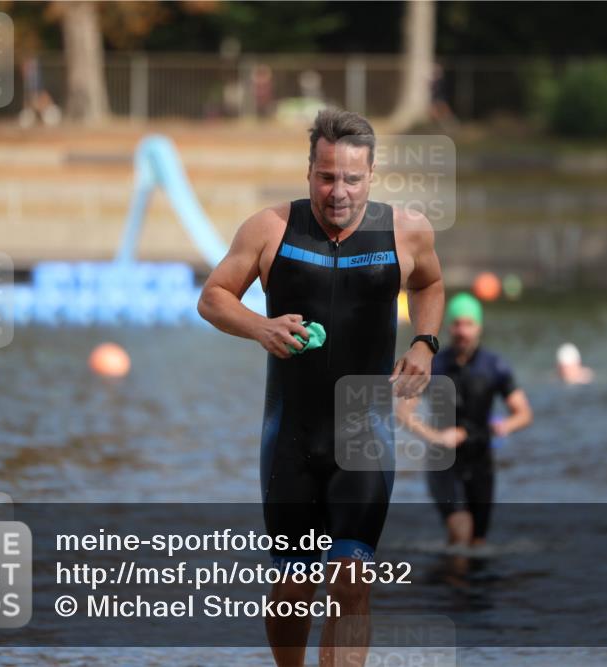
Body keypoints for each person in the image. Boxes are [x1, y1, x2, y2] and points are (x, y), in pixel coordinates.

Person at [198, 108, 444, 667]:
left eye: (351, 179)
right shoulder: (271, 229)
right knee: (293, 589)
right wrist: (260, 326)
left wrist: (425, 343)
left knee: (351, 581)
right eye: (326, 176)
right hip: (291, 434)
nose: (338, 192)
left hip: (364, 430)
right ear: (309, 171)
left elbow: (430, 281)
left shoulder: (406, 230)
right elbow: (212, 296)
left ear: (371, 174)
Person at [397, 292, 532, 547]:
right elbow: (402, 412)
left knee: (478, 542)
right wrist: (437, 437)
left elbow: (524, 413)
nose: (462, 331)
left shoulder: (495, 366)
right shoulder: (434, 366)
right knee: (461, 529)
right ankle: (450, 580)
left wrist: (506, 425)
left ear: (478, 327)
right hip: (444, 463)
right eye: (457, 323)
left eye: (468, 324)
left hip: (481, 461)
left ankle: (455, 582)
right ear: (449, 326)